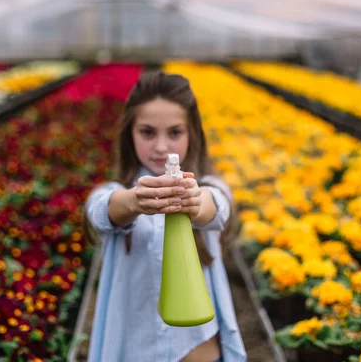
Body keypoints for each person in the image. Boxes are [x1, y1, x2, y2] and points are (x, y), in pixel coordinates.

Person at [85, 71, 247, 362]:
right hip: (137, 348)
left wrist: (195, 202)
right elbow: (101, 210)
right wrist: (134, 200)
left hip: (198, 348)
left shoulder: (208, 187)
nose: (162, 147)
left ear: (192, 133)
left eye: (175, 132)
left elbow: (216, 206)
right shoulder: (118, 193)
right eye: (148, 132)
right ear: (129, 133)